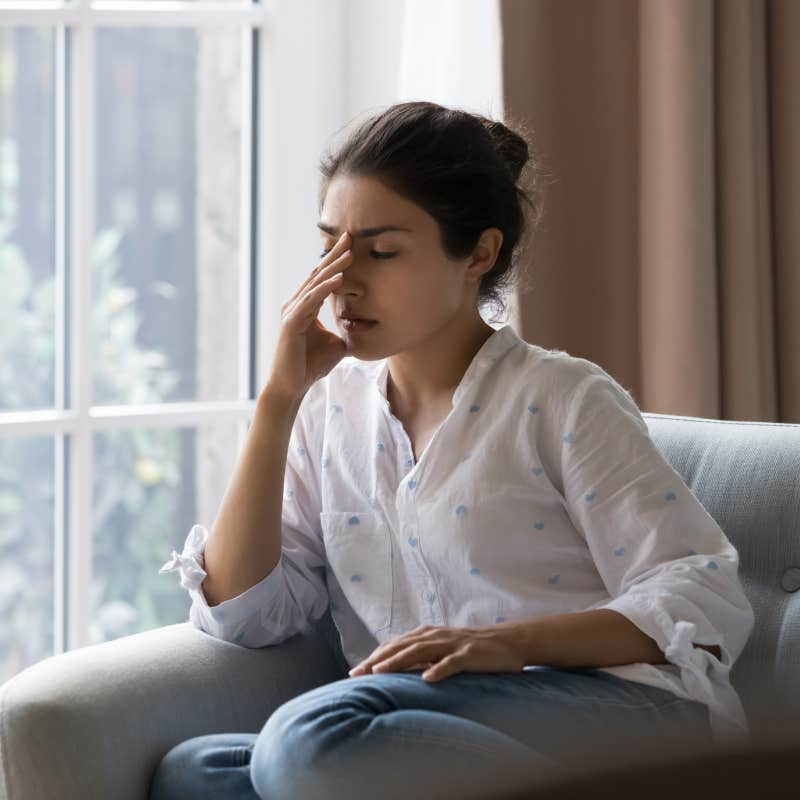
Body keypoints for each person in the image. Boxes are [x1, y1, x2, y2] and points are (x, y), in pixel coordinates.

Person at [152, 101, 755, 800]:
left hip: (613, 710)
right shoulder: (328, 410)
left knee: (307, 741)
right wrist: (277, 403)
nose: (344, 282)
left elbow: (701, 595)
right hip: (428, 721)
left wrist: (512, 646)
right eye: (330, 249)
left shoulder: (561, 398)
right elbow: (244, 613)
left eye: (380, 252)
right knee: (195, 773)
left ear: (480, 253)